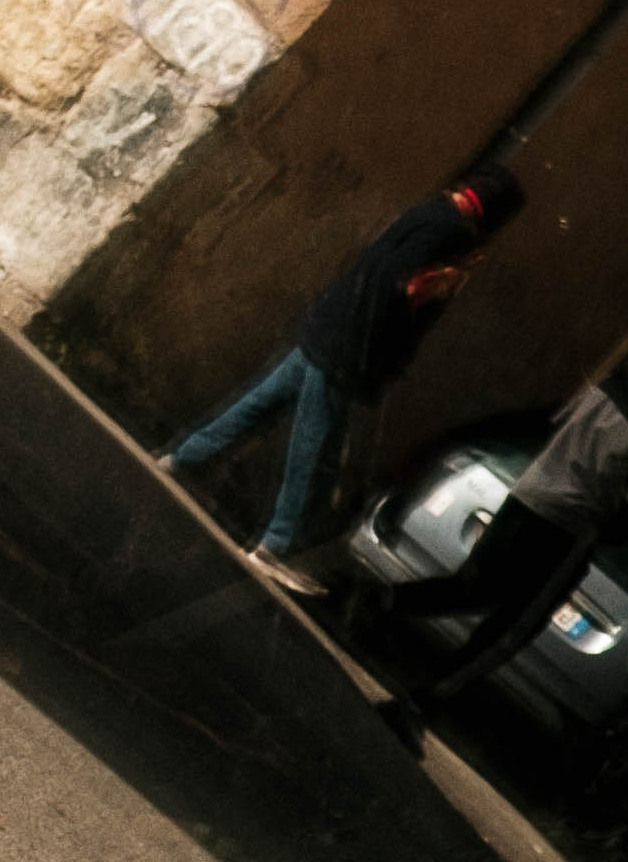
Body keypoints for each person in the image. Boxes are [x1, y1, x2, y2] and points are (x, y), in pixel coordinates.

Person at [161, 164, 527, 565]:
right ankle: (276, 544)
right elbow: (396, 283)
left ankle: (181, 460)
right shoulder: (451, 233)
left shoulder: (430, 211)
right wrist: (430, 289)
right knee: (313, 448)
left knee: (259, 404)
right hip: (344, 351)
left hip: (328, 327)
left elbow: (376, 264)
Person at [391, 337, 628, 709]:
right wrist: (611, 530)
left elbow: (557, 421)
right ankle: (426, 699)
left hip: (528, 495)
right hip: (567, 527)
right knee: (513, 628)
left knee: (473, 587)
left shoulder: (618, 382)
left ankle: (380, 600)